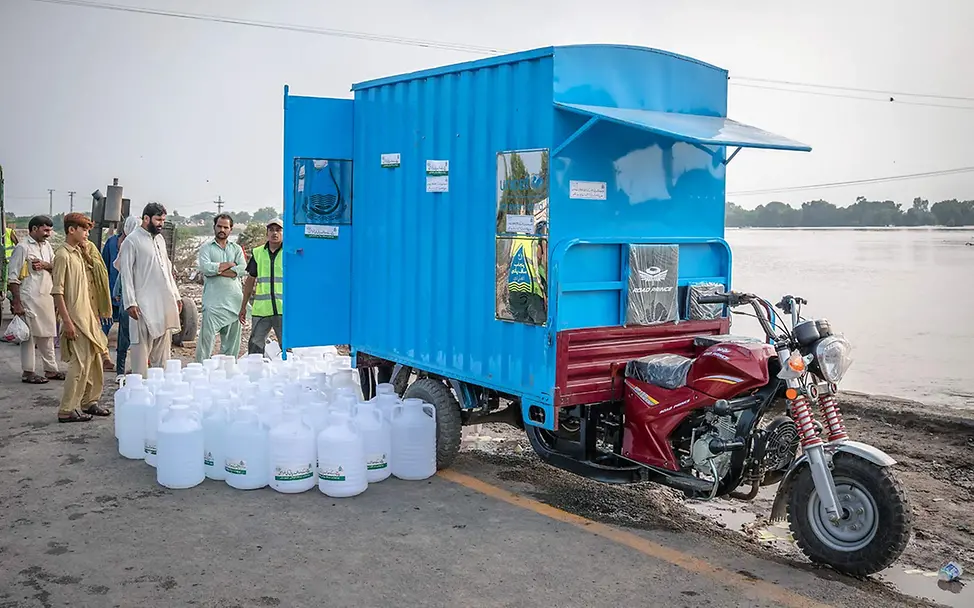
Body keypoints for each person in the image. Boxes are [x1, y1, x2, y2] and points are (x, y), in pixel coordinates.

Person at [51, 213, 111, 422]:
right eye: (84, 229)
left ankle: (89, 402)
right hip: (75, 319)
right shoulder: (62, 255)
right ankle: (67, 409)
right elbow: (57, 292)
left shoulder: (79, 253)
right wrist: (67, 322)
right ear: (71, 230)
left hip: (88, 317)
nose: (87, 234)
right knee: (79, 365)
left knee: (95, 361)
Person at [118, 203, 182, 377]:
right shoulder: (132, 240)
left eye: (163, 220)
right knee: (140, 352)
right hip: (141, 306)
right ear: (146, 218)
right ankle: (141, 390)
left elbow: (167, 271)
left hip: (163, 303)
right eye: (158, 219)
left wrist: (176, 296)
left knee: (162, 355)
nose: (161, 223)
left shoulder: (160, 240)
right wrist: (130, 302)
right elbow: (126, 274)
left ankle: (161, 389)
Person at [7, 215, 62, 384]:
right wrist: (16, 301)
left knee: (47, 334)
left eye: (50, 230)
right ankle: (28, 371)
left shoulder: (47, 247)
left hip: (45, 296)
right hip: (28, 297)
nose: (48, 234)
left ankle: (51, 369)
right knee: (29, 337)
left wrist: (45, 265)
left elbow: (55, 266)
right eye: (45, 230)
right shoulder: (22, 248)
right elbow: (13, 277)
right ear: (34, 229)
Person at [196, 213, 246, 362]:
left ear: (231, 229)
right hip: (213, 303)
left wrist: (217, 271)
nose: (222, 229)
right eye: (219, 226)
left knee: (231, 345)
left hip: (234, 302)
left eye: (226, 227)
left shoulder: (236, 249)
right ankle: (200, 371)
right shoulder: (206, 248)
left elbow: (243, 269)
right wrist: (229, 266)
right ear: (214, 227)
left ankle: (228, 375)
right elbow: (205, 268)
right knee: (206, 343)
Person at [239, 217, 283, 354]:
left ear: (283, 233)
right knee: (255, 347)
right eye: (271, 230)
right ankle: (256, 372)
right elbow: (250, 281)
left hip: (284, 309)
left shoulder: (289, 253)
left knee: (288, 347)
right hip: (262, 310)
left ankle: (288, 373)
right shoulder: (258, 253)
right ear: (267, 233)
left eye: (278, 230)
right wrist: (243, 306)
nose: (274, 233)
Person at [110, 216, 140, 376]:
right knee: (127, 335)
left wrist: (117, 293)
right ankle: (122, 371)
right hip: (131, 297)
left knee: (129, 336)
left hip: (132, 297)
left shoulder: (134, 243)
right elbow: (124, 273)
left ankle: (129, 370)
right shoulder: (128, 245)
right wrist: (118, 292)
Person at [100, 225, 122, 335]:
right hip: (110, 288)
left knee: (126, 326)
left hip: (126, 294)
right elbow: (104, 266)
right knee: (106, 320)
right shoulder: (112, 242)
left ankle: (121, 350)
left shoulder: (135, 244)